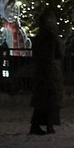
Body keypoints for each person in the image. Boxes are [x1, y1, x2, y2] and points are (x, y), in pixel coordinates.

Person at [28, 7, 63, 135]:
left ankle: (36, 125)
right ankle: (49, 125)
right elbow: (59, 53)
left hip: (41, 71)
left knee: (41, 100)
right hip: (52, 71)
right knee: (51, 100)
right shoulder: (53, 37)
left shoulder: (38, 38)